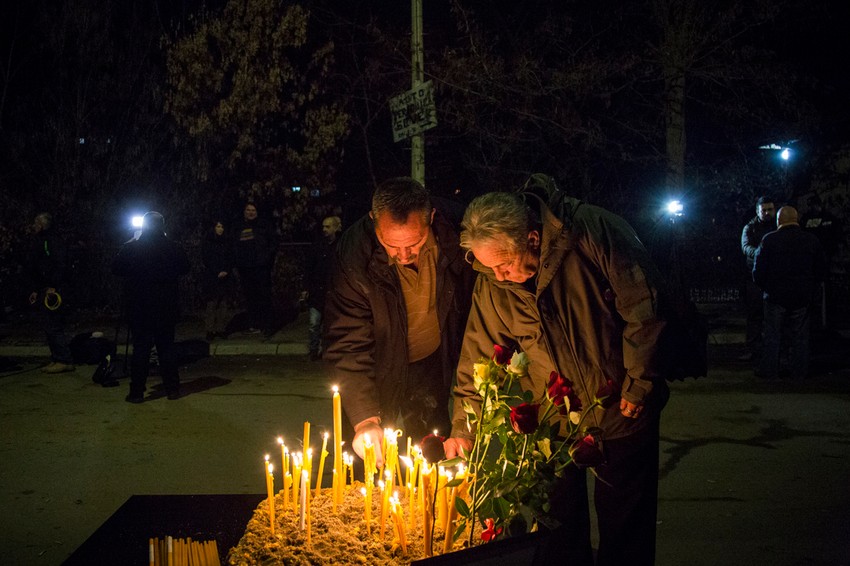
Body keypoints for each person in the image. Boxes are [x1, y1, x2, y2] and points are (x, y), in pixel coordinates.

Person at [444, 176, 670, 566]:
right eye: (488, 267)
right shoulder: (493, 282)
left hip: (620, 410)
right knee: (558, 535)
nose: (498, 277)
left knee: (626, 531)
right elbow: (478, 353)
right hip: (552, 425)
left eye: (504, 264)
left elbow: (643, 307)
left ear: (532, 238)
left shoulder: (592, 232)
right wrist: (464, 427)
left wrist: (639, 384)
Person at [323, 177, 475, 465]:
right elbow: (346, 340)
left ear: (431, 217)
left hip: (431, 365)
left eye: (416, 242)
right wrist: (365, 417)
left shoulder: (457, 235)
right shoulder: (354, 255)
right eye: (391, 244)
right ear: (374, 222)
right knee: (370, 467)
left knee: (432, 459)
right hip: (376, 370)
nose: (404, 255)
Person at [112, 211, 190, 403]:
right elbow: (185, 268)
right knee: (166, 349)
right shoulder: (173, 247)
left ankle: (137, 392)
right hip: (166, 307)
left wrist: (129, 243)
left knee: (140, 351)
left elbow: (117, 268)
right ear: (162, 226)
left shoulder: (133, 248)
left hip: (140, 307)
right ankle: (173, 389)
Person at [753, 206, 826, 380]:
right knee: (800, 336)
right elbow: (821, 270)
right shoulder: (811, 240)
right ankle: (799, 371)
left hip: (775, 295)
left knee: (772, 335)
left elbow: (758, 271)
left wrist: (765, 287)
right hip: (802, 296)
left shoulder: (769, 240)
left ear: (779, 221)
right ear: (797, 219)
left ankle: (770, 371)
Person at [25, 212, 75, 373]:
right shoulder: (40, 240)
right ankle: (57, 358)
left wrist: (54, 285)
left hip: (53, 289)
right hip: (43, 287)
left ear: (43, 225)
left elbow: (60, 264)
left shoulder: (52, 241)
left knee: (53, 324)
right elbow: (37, 266)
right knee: (48, 324)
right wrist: (35, 288)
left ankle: (64, 359)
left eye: (36, 222)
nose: (34, 226)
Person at [740, 195, 776, 361]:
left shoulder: (777, 226)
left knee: (773, 315)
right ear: (758, 211)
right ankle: (752, 348)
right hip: (754, 276)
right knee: (754, 314)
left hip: (773, 277)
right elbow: (746, 247)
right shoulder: (750, 228)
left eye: (770, 209)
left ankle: (772, 348)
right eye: (764, 210)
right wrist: (762, 254)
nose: (767, 213)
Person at [234, 202, 278, 337]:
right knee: (250, 297)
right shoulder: (239, 227)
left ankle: (267, 326)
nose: (251, 212)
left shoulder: (264, 225)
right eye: (248, 210)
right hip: (245, 268)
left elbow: (274, 243)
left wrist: (266, 259)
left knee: (264, 296)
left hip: (261, 267)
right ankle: (254, 324)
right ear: (244, 212)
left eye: (253, 210)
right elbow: (234, 245)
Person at [302, 215, 342, 361]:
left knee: (330, 324)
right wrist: (306, 288)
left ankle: (328, 350)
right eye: (324, 226)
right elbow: (309, 268)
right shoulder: (317, 246)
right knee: (314, 323)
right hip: (317, 291)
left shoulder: (340, 246)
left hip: (332, 292)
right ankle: (314, 350)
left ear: (336, 228)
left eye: (328, 226)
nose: (324, 229)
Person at [799, 194, 842, 329]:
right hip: (809, 262)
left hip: (824, 259)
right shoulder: (806, 219)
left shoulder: (828, 218)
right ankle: (814, 323)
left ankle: (826, 324)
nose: (813, 207)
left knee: (825, 292)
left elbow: (836, 237)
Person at [201, 219, 236, 341]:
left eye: (222, 226)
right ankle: (210, 330)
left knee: (223, 303)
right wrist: (217, 271)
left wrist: (226, 270)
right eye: (218, 226)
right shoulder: (208, 242)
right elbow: (206, 259)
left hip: (225, 276)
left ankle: (221, 329)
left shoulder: (227, 242)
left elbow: (231, 257)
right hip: (212, 276)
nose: (220, 229)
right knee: (212, 303)